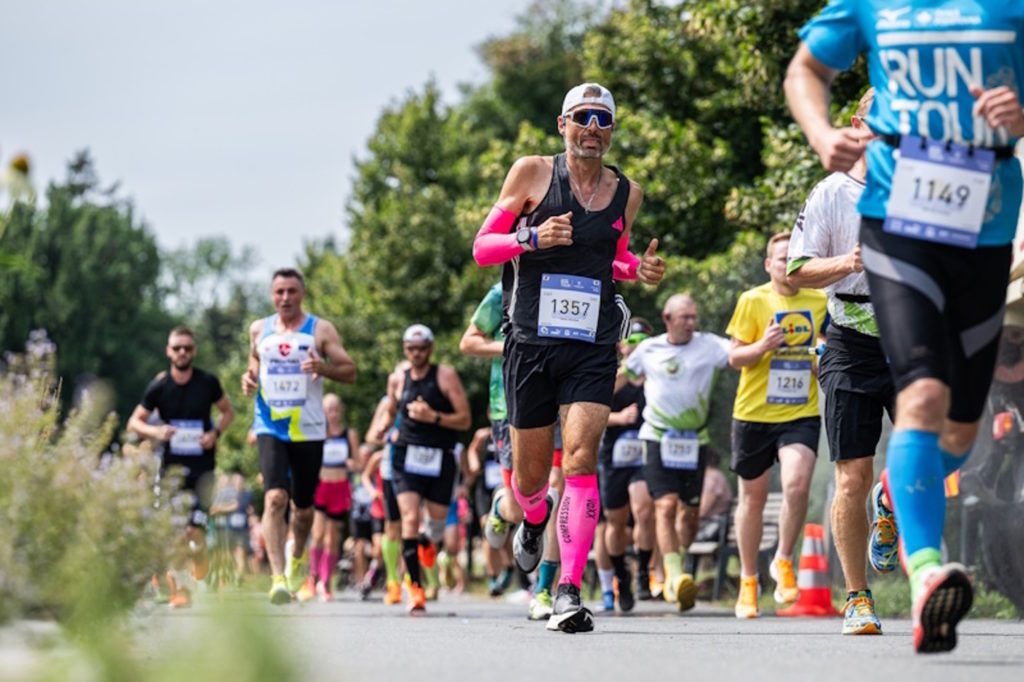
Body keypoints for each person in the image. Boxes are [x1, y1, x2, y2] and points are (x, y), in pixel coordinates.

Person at [785, 1, 1024, 653]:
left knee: (959, 432)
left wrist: (1019, 117)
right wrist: (818, 133)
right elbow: (805, 70)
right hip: (895, 230)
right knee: (894, 428)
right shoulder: (872, 6)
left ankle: (899, 498)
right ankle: (917, 578)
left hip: (984, 227)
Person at [472, 82, 665, 632]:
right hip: (530, 342)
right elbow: (483, 246)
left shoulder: (627, 191)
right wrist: (531, 237)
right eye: (582, 117)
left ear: (612, 129)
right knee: (531, 484)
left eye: (603, 119)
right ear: (563, 125)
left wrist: (639, 271)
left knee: (580, 459)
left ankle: (567, 591)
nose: (593, 128)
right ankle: (531, 520)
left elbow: (617, 261)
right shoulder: (532, 173)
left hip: (593, 345)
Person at [785, 87, 891, 636]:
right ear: (856, 125)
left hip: (913, 335)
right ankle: (857, 599)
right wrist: (850, 260)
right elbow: (795, 270)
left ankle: (891, 501)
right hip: (850, 339)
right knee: (852, 476)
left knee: (945, 445)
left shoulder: (927, 187)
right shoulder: (832, 192)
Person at [726, 232, 828, 619]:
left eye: (793, 258)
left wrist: (822, 359)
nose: (787, 265)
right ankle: (748, 581)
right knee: (751, 499)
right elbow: (735, 359)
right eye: (781, 259)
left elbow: (825, 352)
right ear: (769, 265)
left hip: (799, 411)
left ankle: (784, 559)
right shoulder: (752, 300)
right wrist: (763, 346)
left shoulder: (819, 300)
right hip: (752, 413)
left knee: (797, 484)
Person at [241, 268, 357, 604]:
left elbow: (350, 371)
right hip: (270, 424)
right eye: (279, 292)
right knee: (275, 498)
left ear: (302, 294)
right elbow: (253, 364)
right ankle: (277, 578)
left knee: (303, 509)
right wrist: (248, 379)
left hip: (308, 430)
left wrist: (324, 369)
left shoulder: (320, 330)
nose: (285, 298)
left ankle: (296, 558)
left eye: (292, 291)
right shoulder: (258, 330)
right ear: (272, 295)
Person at [618, 295, 731, 613]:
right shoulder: (648, 348)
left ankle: (675, 564)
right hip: (656, 437)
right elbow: (622, 376)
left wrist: (766, 343)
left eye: (694, 317)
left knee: (690, 516)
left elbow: (738, 355)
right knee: (665, 506)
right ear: (667, 318)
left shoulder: (709, 344)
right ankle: (675, 575)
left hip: (694, 440)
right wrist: (587, 400)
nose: (691, 323)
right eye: (684, 317)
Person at [127, 325, 235, 608]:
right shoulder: (160, 386)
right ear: (168, 351)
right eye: (177, 348)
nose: (183, 352)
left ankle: (200, 564)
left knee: (195, 533)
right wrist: (156, 432)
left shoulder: (207, 383)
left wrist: (214, 434)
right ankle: (180, 589)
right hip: (171, 470)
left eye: (187, 347)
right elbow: (134, 422)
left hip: (203, 471)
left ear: (194, 351)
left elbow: (228, 412)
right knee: (176, 532)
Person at [370, 324, 471, 613]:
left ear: (431, 348)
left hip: (440, 456)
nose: (416, 354)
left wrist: (433, 416)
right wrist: (382, 428)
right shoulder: (397, 380)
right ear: (405, 350)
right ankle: (415, 588)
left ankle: (426, 547)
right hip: (406, 457)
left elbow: (464, 419)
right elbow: (392, 409)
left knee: (435, 530)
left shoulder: (445, 375)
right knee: (409, 519)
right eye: (411, 349)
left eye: (422, 348)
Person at [597, 317, 654, 612]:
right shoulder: (612, 376)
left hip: (643, 456)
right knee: (615, 522)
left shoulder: (655, 377)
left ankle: (644, 572)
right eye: (632, 342)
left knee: (644, 508)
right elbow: (587, 411)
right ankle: (621, 575)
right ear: (621, 345)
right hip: (614, 456)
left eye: (643, 342)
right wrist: (619, 418)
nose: (637, 348)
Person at [296, 393, 361, 602]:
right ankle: (312, 577)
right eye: (328, 410)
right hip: (321, 486)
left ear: (340, 411)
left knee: (332, 538)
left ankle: (326, 581)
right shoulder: (317, 433)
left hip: (340, 488)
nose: (332, 414)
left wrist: (353, 464)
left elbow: (359, 463)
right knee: (317, 535)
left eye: (335, 409)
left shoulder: (348, 435)